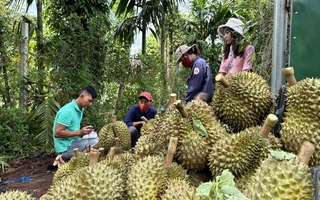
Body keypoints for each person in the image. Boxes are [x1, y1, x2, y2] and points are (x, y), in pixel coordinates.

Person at [52, 86, 99, 167]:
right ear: (82, 96)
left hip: (73, 142)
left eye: (92, 102)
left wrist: (84, 131)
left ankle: (77, 160)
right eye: (89, 101)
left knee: (95, 138)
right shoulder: (68, 111)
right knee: (97, 142)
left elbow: (71, 128)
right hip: (65, 148)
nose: (91, 104)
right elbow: (57, 133)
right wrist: (80, 132)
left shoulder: (80, 109)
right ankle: (72, 163)